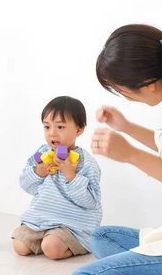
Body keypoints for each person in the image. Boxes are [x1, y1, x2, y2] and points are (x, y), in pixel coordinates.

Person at [70, 25, 162, 275]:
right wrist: (126, 127)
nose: (124, 97)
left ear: (148, 84)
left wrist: (131, 155)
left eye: (123, 91)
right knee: (102, 238)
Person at [12, 96, 102, 259]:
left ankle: (81, 244)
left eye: (60, 127)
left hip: (71, 224)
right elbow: (26, 185)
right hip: (40, 219)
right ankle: (46, 238)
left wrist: (70, 175)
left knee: (51, 248)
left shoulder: (86, 163)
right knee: (20, 246)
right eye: (47, 127)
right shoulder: (41, 153)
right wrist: (38, 172)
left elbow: (91, 202)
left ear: (79, 129)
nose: (52, 133)